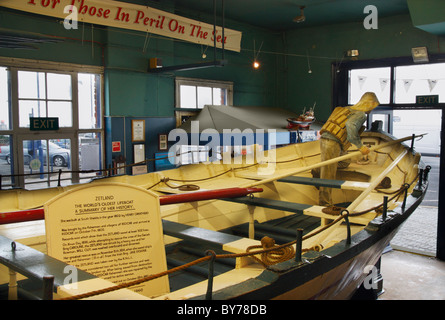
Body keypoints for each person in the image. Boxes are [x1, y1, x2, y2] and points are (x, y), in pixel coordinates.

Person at [317, 92, 380, 207]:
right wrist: (361, 147)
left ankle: (320, 169)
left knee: (345, 161)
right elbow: (351, 129)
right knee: (328, 173)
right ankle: (324, 204)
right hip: (333, 142)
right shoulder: (361, 115)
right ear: (369, 104)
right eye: (373, 106)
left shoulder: (345, 109)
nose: (372, 110)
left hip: (325, 138)